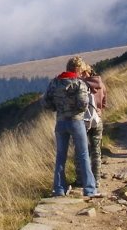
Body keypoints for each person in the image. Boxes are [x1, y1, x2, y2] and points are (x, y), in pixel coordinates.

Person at [42, 57, 100, 198]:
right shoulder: (79, 84)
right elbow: (83, 104)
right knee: (83, 155)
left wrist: (59, 107)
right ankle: (89, 189)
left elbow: (45, 103)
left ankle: (59, 188)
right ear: (78, 69)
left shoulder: (54, 83)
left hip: (60, 122)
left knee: (61, 155)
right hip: (76, 121)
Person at [77, 59, 106, 182]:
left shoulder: (80, 85)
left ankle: (81, 179)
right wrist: (99, 110)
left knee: (81, 150)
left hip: (83, 120)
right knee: (96, 150)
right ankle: (97, 179)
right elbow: (104, 101)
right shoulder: (101, 84)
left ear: (84, 72)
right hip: (97, 119)